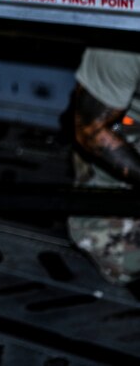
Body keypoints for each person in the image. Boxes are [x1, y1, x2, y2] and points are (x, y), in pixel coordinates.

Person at [68, 47, 140, 285]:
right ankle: (91, 217)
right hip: (129, 126)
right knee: (125, 260)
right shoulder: (124, 47)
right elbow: (91, 130)